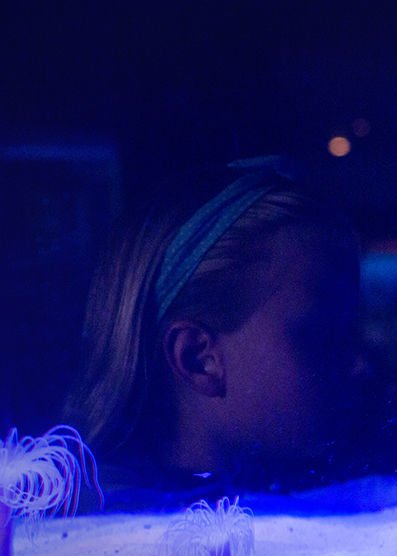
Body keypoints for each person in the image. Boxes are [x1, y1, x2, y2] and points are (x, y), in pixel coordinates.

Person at [65, 161, 364, 494]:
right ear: (198, 358)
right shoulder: (107, 524)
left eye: (353, 330)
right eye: (322, 336)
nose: (359, 365)